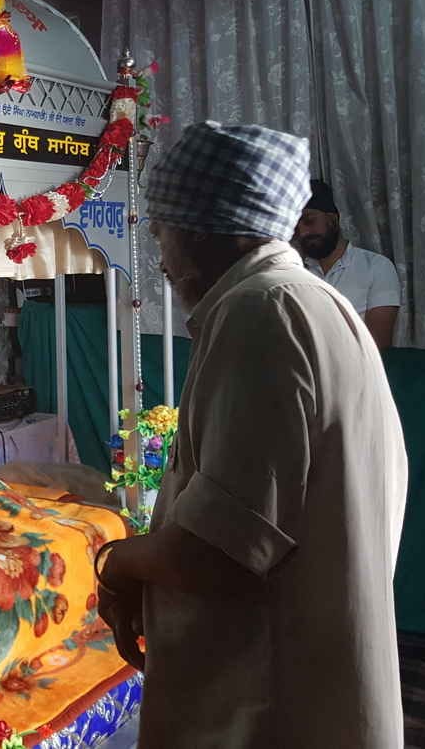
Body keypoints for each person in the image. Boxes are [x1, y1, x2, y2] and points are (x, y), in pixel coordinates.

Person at [96, 122, 408, 748]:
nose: (161, 259)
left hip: (266, 707)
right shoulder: (309, 302)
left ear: (209, 230)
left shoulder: (262, 311)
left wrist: (117, 562)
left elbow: (220, 553)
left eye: (162, 232)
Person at [293, 179, 401, 348]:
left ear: (333, 219)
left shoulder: (376, 267)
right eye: (296, 227)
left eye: (309, 221)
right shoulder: (293, 273)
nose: (303, 233)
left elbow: (377, 347)